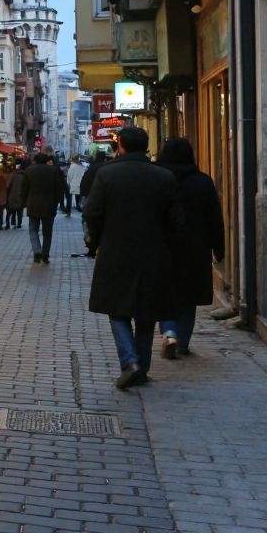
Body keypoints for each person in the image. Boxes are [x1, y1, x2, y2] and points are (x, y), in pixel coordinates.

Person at [82, 127, 180, 389]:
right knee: (147, 313)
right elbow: (176, 221)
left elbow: (91, 212)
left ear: (120, 145)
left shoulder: (107, 174)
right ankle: (142, 368)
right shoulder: (164, 177)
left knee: (117, 310)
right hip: (155, 253)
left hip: (116, 252)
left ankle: (130, 362)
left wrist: (97, 238)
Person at [154, 138, 225, 359]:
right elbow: (214, 218)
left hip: (161, 244)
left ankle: (169, 332)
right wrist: (218, 248)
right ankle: (182, 342)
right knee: (188, 296)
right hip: (195, 246)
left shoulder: (156, 179)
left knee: (163, 292)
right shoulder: (202, 181)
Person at [22, 153, 67, 264]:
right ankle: (45, 254)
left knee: (33, 230)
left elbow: (24, 188)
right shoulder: (53, 171)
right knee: (47, 232)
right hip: (49, 205)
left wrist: (24, 201)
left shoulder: (29, 170)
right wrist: (58, 202)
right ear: (47, 160)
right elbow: (59, 189)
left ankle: (37, 250)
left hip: (33, 205)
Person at [6, 158, 28, 229]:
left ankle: (11, 223)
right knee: (19, 211)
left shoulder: (13, 175)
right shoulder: (24, 176)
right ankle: (19, 224)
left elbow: (9, 186)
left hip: (12, 195)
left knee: (12, 211)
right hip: (21, 196)